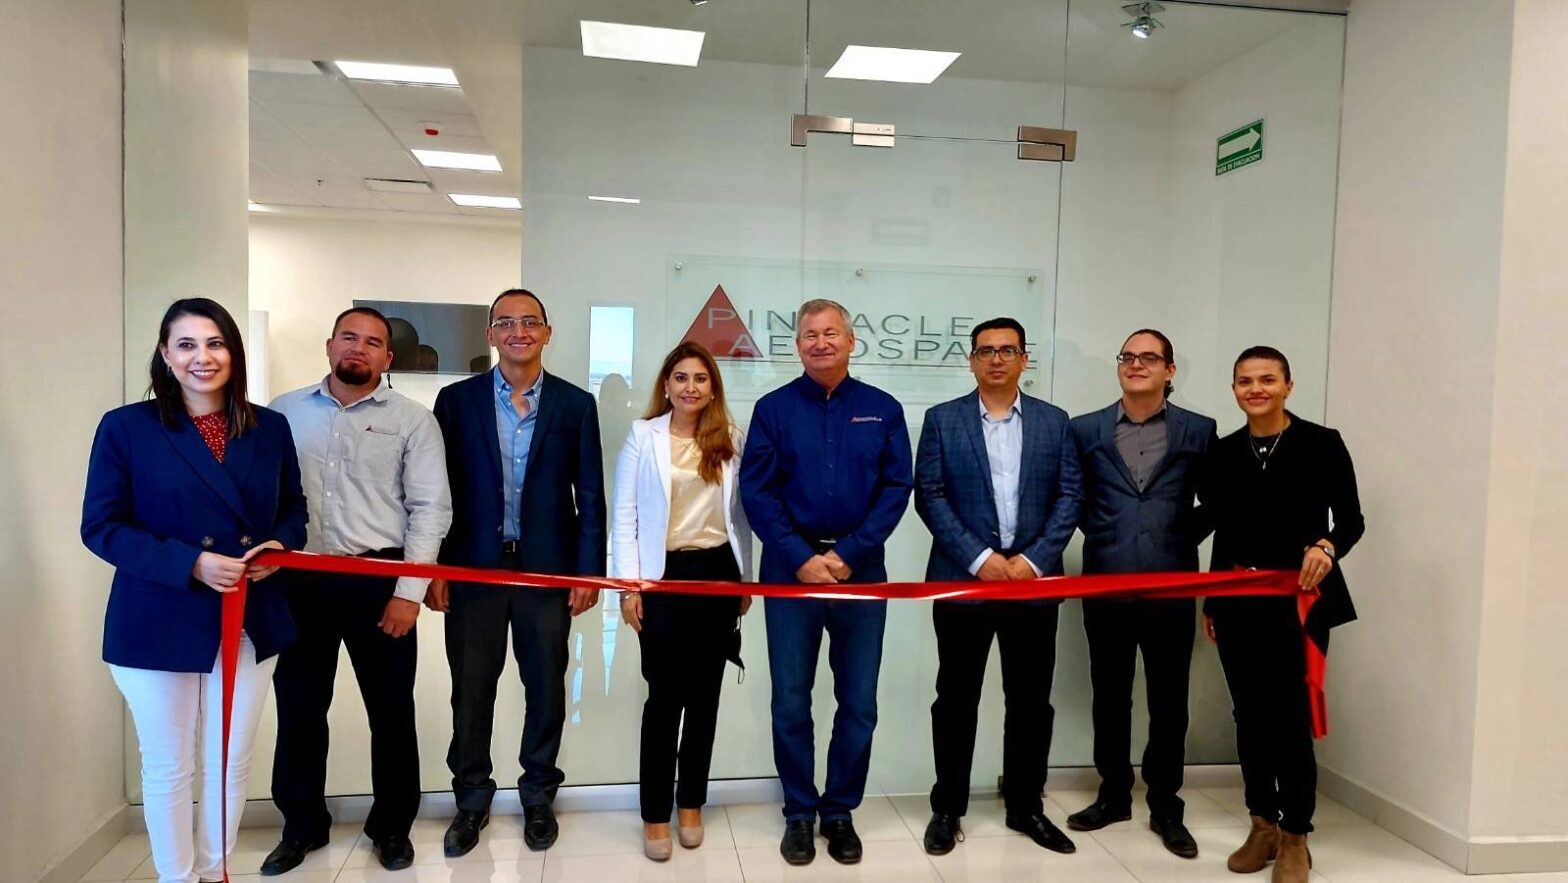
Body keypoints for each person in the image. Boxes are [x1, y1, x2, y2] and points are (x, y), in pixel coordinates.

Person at [82, 297, 307, 883]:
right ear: (165, 354)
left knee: (229, 762)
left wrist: (278, 548)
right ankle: (178, 877)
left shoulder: (269, 427)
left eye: (215, 343)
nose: (202, 357)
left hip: (249, 615)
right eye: (186, 345)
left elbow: (293, 508)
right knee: (169, 766)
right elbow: (102, 527)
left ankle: (215, 871)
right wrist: (192, 564)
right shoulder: (126, 427)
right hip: (158, 615)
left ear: (233, 352)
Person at [260, 308, 452, 875]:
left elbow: (430, 509)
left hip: (379, 581)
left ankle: (391, 827)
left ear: (388, 358)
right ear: (329, 345)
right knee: (299, 710)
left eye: (372, 342)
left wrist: (408, 592)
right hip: (300, 580)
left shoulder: (414, 420)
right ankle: (301, 827)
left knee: (391, 712)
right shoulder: (282, 413)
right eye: (349, 337)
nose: (358, 349)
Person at [429, 288, 606, 856]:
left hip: (546, 573)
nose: (518, 332)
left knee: (546, 688)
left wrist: (588, 573)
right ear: (491, 335)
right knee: (471, 691)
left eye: (530, 322)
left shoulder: (576, 404)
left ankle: (538, 797)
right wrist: (435, 568)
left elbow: (590, 496)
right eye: (506, 322)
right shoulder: (456, 402)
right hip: (473, 570)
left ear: (547, 332)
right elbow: (436, 491)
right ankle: (471, 800)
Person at [739, 299, 914, 867]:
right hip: (791, 574)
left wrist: (848, 554)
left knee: (858, 701)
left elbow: (896, 489)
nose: (820, 342)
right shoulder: (773, 409)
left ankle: (839, 811)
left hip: (860, 574)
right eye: (810, 335)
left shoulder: (882, 409)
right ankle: (798, 811)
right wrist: (799, 558)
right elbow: (757, 492)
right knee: (791, 699)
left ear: (851, 341)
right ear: (798, 345)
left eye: (830, 333)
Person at [913, 317, 1083, 857]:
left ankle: (1026, 805)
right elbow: (930, 495)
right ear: (971, 360)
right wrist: (980, 559)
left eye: (1007, 350)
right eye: (985, 350)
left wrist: (1033, 560)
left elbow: (1070, 496)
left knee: (1031, 702)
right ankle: (948, 808)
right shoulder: (942, 420)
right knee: (955, 699)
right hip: (963, 584)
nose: (996, 359)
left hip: (1032, 585)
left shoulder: (1055, 422)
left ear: (1023, 359)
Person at [1202, 346, 1364, 883]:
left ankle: (1296, 834)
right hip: (1238, 604)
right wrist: (1212, 600)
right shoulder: (1224, 452)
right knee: (1248, 716)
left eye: (1267, 379)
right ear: (1234, 389)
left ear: (1288, 386)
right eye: (1245, 381)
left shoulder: (1322, 443)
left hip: (1301, 601)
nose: (1256, 389)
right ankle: (1262, 823)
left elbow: (1352, 519)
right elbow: (1221, 530)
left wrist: (1327, 545)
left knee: (1291, 719)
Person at [1065, 329, 1218, 859]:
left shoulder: (1199, 430)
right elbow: (1073, 496)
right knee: (1109, 695)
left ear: (1169, 370)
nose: (1136, 364)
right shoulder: (1085, 429)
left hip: (1171, 584)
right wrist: (1106, 530)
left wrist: (1176, 535)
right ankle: (1113, 793)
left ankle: (1165, 804)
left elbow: (1216, 502)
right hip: (1105, 581)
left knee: (1169, 700)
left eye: (1149, 357)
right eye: (1128, 357)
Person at [611, 342, 754, 862]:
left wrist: (745, 580)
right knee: (664, 698)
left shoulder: (729, 438)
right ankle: (655, 813)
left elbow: (741, 516)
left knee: (705, 698)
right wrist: (629, 587)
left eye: (700, 378)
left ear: (712, 388)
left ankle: (690, 803)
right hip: (662, 576)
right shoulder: (643, 436)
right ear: (666, 386)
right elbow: (624, 514)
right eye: (681, 378)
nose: (690, 387)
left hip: (717, 574)